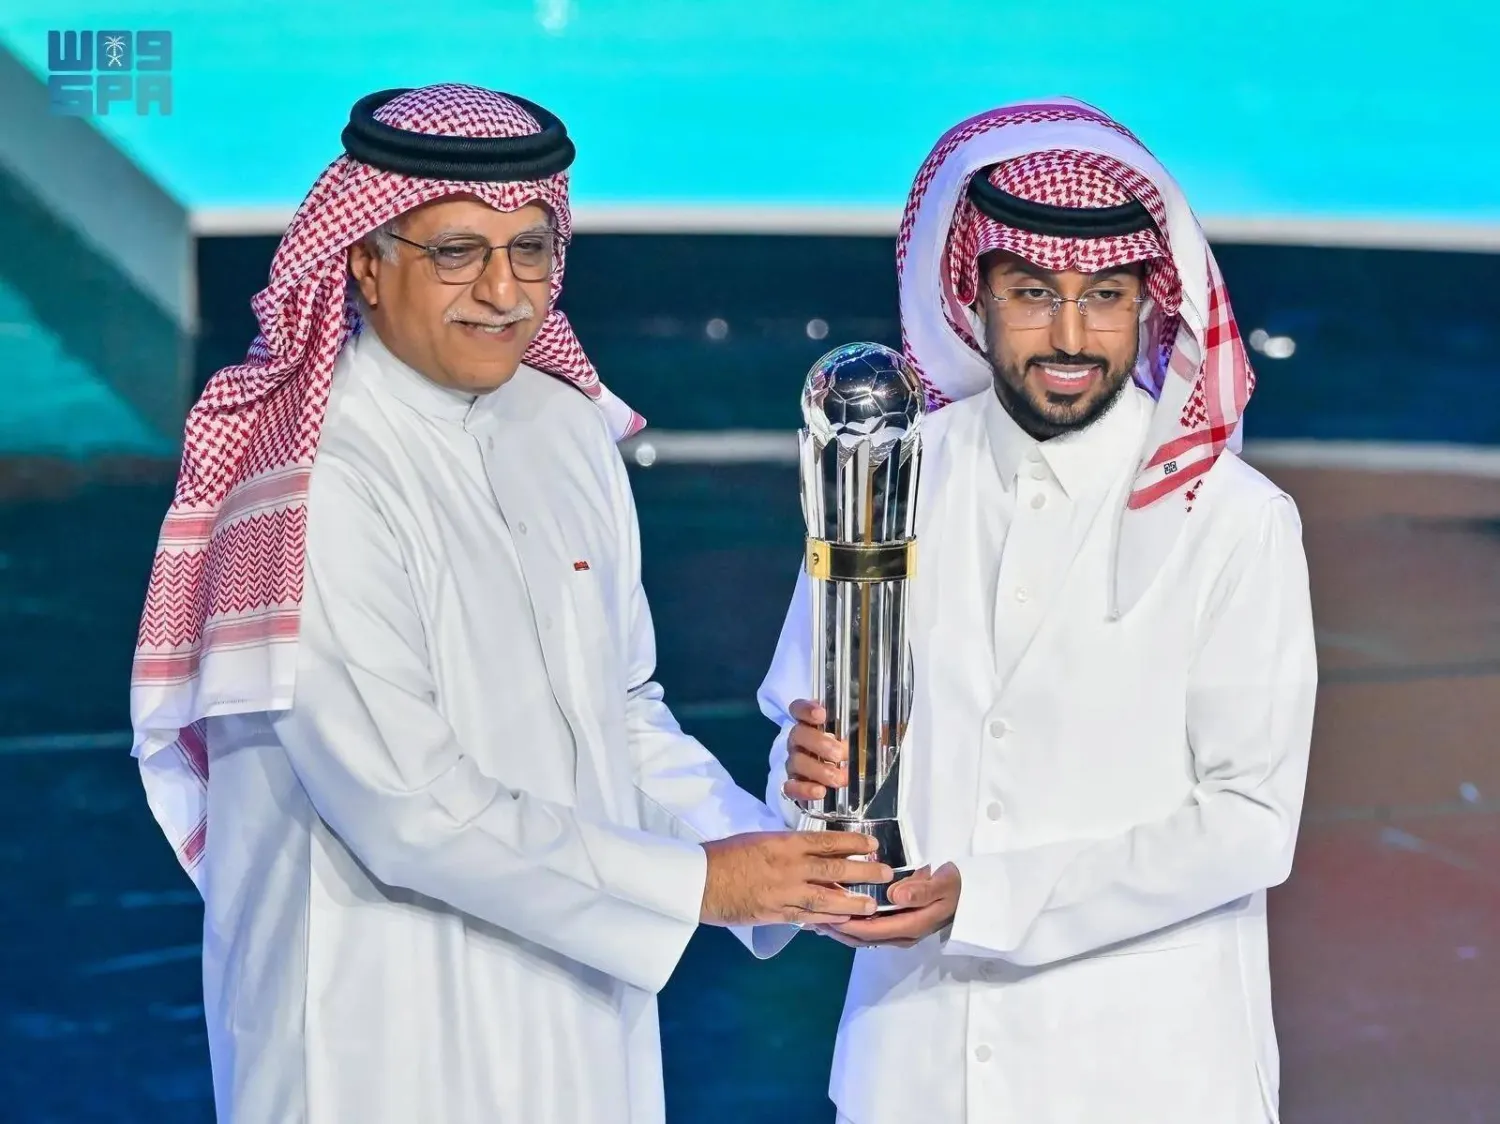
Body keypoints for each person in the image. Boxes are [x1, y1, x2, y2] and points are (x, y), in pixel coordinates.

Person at [129, 84, 888, 1124]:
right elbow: (406, 806)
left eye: (530, 250)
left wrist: (778, 856)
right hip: (380, 1014)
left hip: (580, 1000)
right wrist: (704, 884)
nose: (503, 289)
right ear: (364, 256)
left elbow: (624, 711)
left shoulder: (566, 429)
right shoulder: (310, 477)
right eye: (456, 252)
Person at [759, 98, 1317, 1124]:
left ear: (1151, 301)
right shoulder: (886, 473)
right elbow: (812, 755)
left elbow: (1250, 823)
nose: (1070, 333)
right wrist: (806, 795)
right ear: (971, 295)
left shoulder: (1235, 519)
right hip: (911, 1066)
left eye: (1104, 294)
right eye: (1032, 291)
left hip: (1147, 1072)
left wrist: (990, 895)